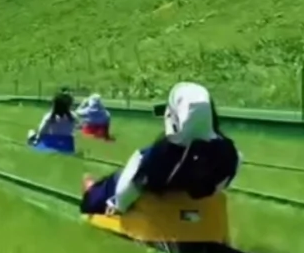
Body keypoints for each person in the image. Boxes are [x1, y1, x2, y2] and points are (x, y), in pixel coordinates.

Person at [80, 82, 240, 218]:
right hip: (193, 198)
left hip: (143, 193)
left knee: (111, 182)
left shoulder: (159, 155)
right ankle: (95, 186)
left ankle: (92, 189)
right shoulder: (229, 154)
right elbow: (222, 183)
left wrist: (118, 205)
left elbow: (131, 185)